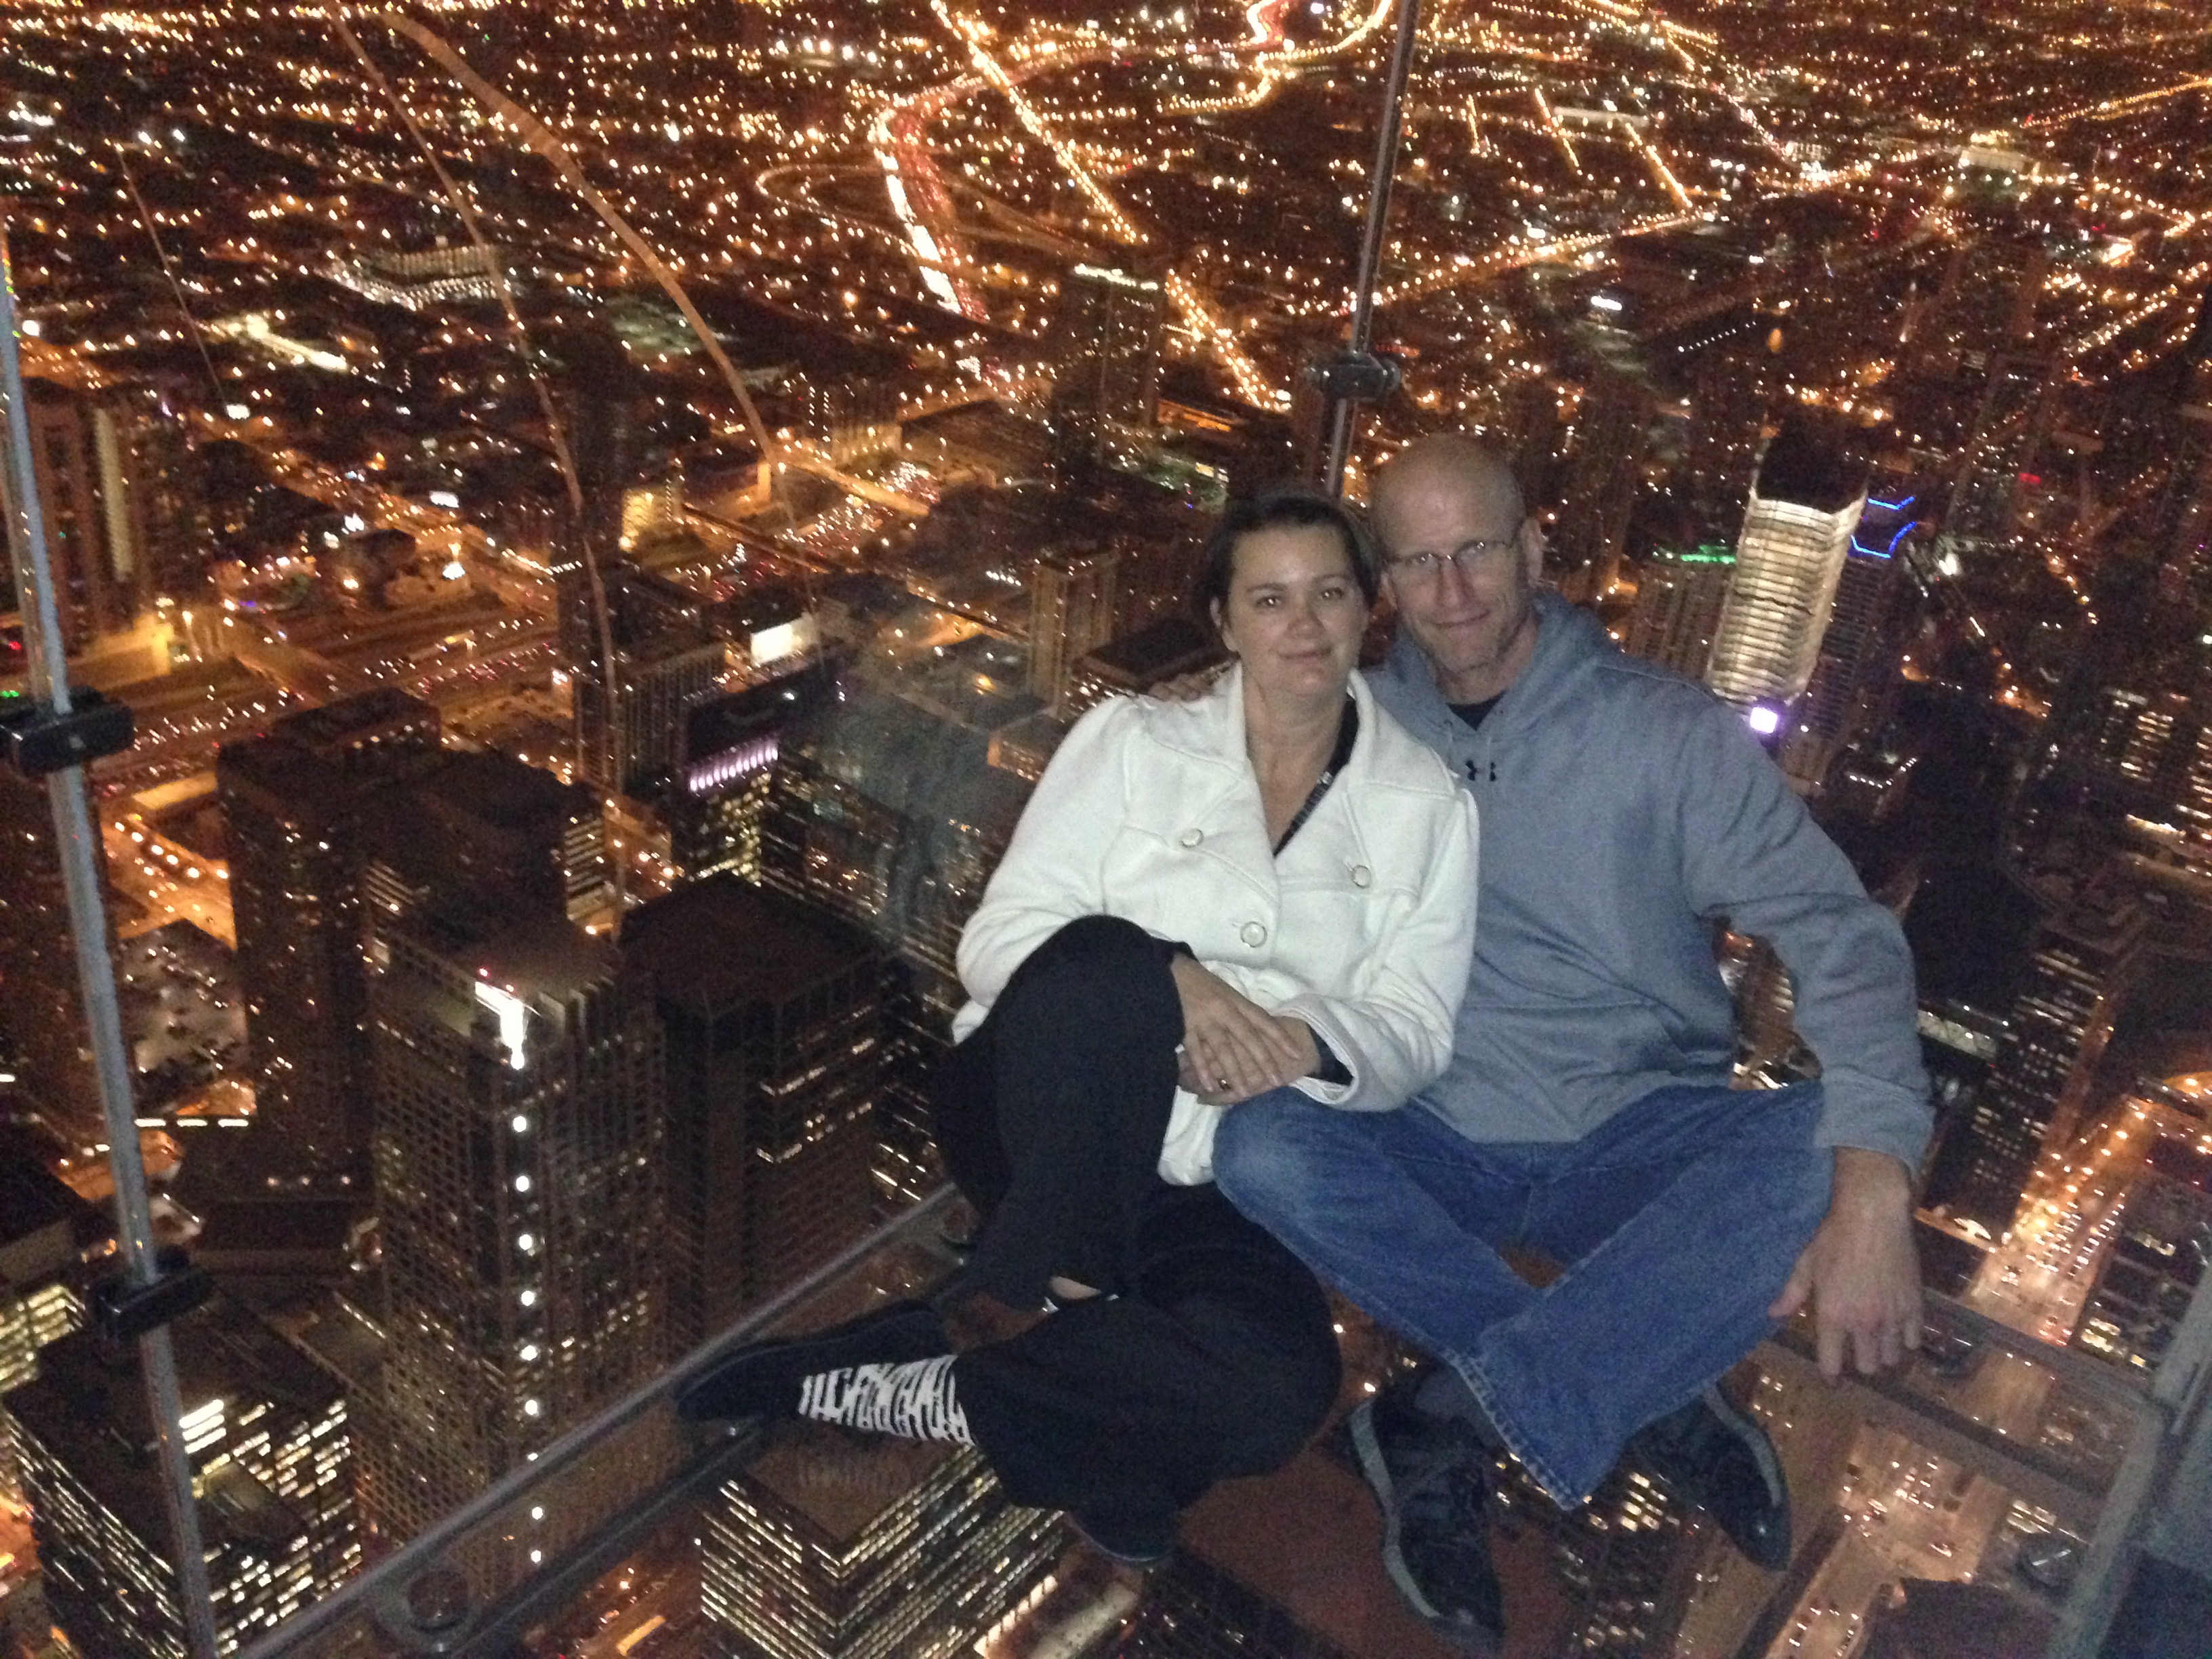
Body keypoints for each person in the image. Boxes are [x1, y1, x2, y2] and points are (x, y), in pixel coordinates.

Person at [1209, 436, 1931, 1654]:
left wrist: (1877, 1184)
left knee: (1828, 1143)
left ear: (1535, 548)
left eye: (1479, 550)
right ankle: (1633, 1385)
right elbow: (1183, 848)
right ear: (1386, 581)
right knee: (1259, 1143)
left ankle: (1446, 1418)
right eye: (1419, 563)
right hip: (1422, 1115)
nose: (1453, 593)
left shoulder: (1666, 738)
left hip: (1631, 1134)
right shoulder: (1350, 728)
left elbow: (1840, 933)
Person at [678, 488, 1481, 1563]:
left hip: (1221, 1177)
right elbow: (999, 942)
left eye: (1329, 592)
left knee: (1285, 1393)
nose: (1304, 625)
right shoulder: (1133, 741)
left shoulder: (1428, 805)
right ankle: (1092, 1351)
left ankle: (916, 1377)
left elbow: (1416, 1029)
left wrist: (1305, 1040)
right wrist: (1172, 978)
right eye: (1271, 598)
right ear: (1224, 620)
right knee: (1108, 959)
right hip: (1039, 1118)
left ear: (1367, 605)